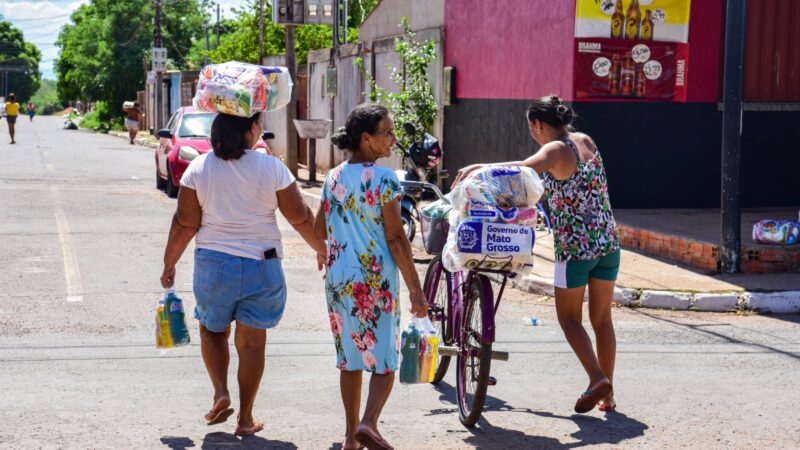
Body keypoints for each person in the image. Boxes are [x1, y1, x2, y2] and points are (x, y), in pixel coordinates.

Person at [160, 112, 327, 436]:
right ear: (251, 129)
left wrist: (170, 262)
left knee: (212, 331)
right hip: (262, 268)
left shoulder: (200, 168)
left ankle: (221, 392)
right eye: (258, 123)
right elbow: (301, 218)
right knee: (251, 345)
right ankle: (246, 418)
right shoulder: (272, 167)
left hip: (214, 267)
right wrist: (321, 249)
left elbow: (184, 223)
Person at [453, 95, 620, 414]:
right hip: (608, 244)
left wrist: (480, 167)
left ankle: (598, 378)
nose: (534, 135)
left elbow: (521, 170)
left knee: (569, 319)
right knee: (602, 320)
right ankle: (607, 396)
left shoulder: (556, 149)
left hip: (575, 250)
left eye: (533, 129)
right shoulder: (584, 140)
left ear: (540, 125)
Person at [314, 104, 427, 450]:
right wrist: (416, 291)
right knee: (384, 360)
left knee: (349, 359)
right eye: (387, 133)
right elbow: (396, 238)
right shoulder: (385, 179)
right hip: (373, 282)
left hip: (338, 281)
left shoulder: (333, 177)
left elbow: (319, 228)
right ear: (366, 138)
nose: (393, 139)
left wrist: (330, 252)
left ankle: (351, 438)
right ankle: (369, 423)